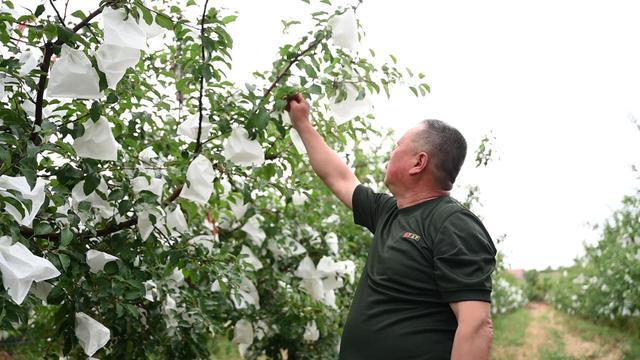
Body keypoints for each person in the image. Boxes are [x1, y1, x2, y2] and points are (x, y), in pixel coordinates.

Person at [286, 93, 497, 360]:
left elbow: (476, 325)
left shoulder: (453, 224)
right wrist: (302, 123)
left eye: (397, 146)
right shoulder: (390, 212)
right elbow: (338, 177)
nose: (390, 152)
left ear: (418, 163)